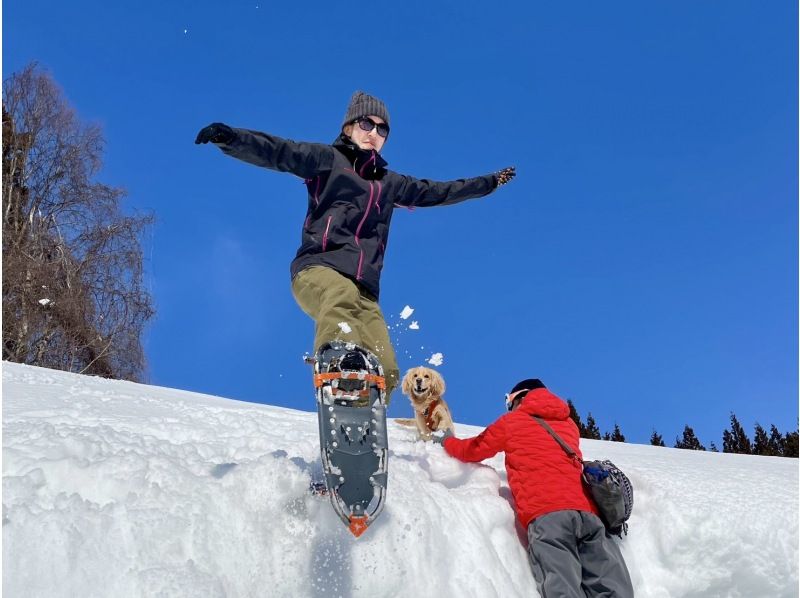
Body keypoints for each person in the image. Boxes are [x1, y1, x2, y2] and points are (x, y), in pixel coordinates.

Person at [195, 91, 516, 401]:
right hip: (318, 269)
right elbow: (280, 151)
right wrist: (232, 138)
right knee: (341, 298)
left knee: (386, 367)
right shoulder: (328, 160)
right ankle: (338, 366)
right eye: (366, 124)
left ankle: (360, 427)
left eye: (382, 128)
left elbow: (441, 191)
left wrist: (488, 183)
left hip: (365, 290)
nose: (373, 132)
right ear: (349, 127)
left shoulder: (392, 184)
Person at [436, 378, 634, 597]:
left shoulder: (512, 422)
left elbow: (473, 449)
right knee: (613, 587)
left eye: (509, 402)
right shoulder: (569, 424)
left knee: (562, 587)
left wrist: (446, 441)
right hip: (588, 515)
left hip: (548, 516)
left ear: (519, 398)